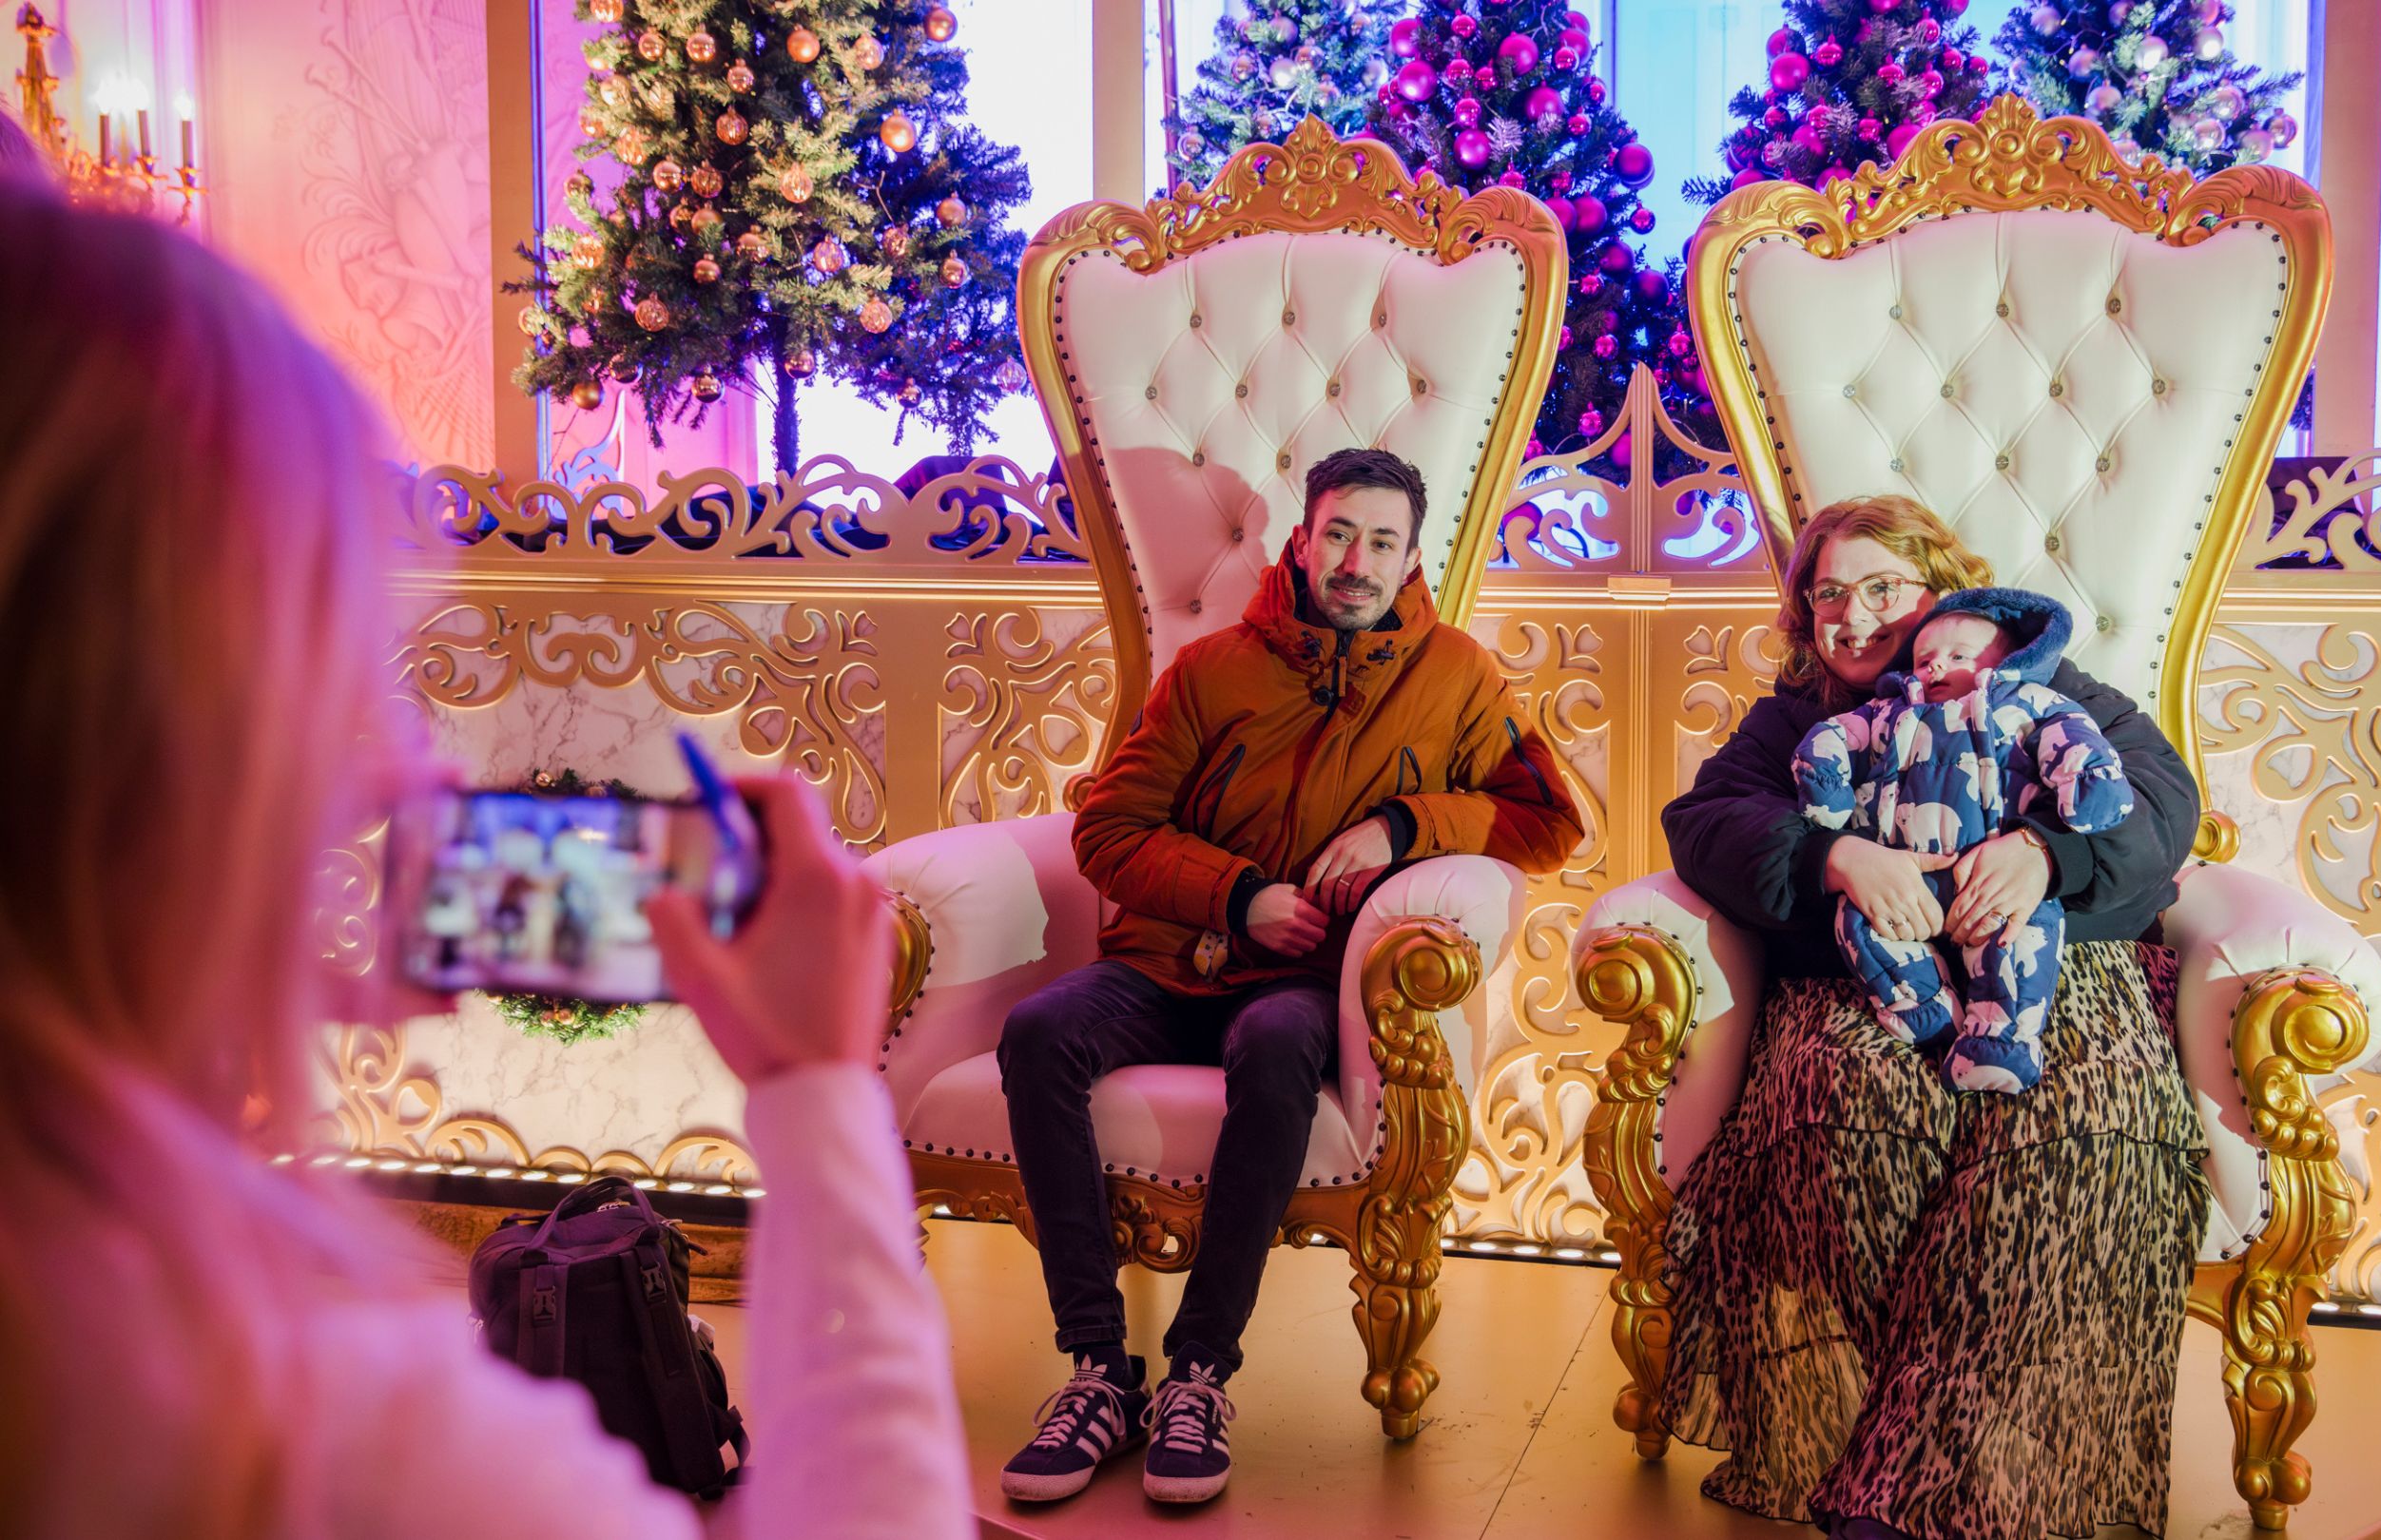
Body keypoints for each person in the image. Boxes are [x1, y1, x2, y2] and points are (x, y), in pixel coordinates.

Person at [0, 191, 974, 1538]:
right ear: (151, 783)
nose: (405, 775)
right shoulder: (345, 1442)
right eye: (339, 677)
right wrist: (819, 1100)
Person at [995, 447, 1584, 1506]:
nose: (1358, 560)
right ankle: (1096, 1369)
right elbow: (1109, 830)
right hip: (1170, 960)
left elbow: (1549, 823)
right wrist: (1236, 894)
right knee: (1039, 1033)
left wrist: (1408, 825)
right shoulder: (1211, 667)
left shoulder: (1456, 675)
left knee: (1275, 1050)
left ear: (1412, 557)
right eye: (1341, 534)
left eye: (1384, 541)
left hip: (1301, 982)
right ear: (1303, 541)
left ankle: (1199, 1374)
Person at [1657, 494, 2206, 1539]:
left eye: (1881, 589)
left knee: (2081, 1142)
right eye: (1827, 594)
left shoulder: (2052, 689)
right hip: (1863, 980)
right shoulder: (1796, 721)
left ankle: (1901, 1494)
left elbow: (2160, 805)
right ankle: (1952, 1474)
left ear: (1941, 595)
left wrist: (2051, 853)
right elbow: (1703, 824)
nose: (1852, 617)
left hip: (2068, 972)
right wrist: (1835, 857)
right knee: (1840, 1125)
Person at [1790, 587, 2133, 1092]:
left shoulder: (2024, 703)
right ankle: (1925, 1007)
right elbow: (1836, 737)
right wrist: (1822, 778)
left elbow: (2070, 733)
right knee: (1859, 923)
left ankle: (2001, 1041)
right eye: (1924, 658)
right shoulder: (1888, 713)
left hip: (1995, 880)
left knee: (2020, 940)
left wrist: (2086, 783)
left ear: (2007, 661)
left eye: (1958, 656)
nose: (1934, 668)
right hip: (1900, 882)